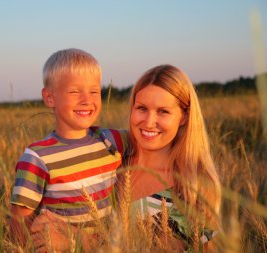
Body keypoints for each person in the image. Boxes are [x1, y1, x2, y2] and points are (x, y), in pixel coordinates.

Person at [31, 64, 222, 252]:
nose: (148, 122)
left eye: (163, 111)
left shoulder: (194, 185)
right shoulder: (108, 162)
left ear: (184, 117)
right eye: (141, 108)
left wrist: (78, 240)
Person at [10, 48, 128, 249]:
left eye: (94, 91)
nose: (87, 100)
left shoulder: (112, 140)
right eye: (74, 91)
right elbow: (20, 220)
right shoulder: (37, 157)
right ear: (49, 98)